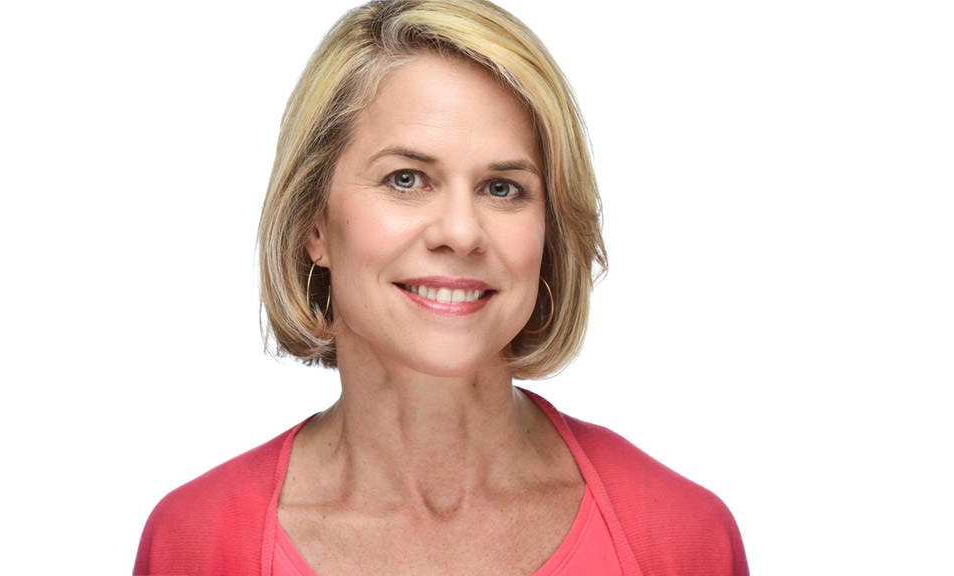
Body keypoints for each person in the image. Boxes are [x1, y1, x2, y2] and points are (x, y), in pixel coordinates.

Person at [134, 1, 748, 574]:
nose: (461, 233)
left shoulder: (677, 538)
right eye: (406, 179)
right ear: (313, 223)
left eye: (503, 188)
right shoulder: (199, 541)